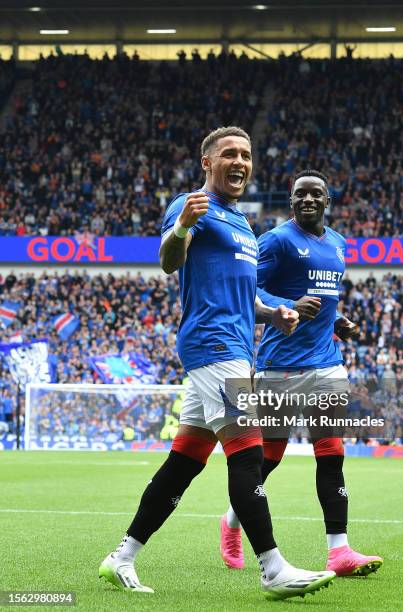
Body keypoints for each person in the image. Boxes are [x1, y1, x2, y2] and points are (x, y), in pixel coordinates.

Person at [99, 131, 336, 599]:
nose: (239, 161)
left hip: (233, 346)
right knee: (248, 453)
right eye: (229, 153)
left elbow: (246, 293)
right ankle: (273, 567)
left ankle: (121, 557)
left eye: (246, 155)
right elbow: (169, 261)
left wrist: (276, 312)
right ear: (207, 162)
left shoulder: (244, 225)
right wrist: (183, 226)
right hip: (213, 346)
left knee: (184, 461)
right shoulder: (194, 206)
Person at [220, 169, 383, 577]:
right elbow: (245, 287)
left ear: (328, 200)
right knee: (268, 458)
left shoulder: (339, 244)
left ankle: (339, 551)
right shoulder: (275, 240)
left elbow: (325, 298)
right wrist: (287, 303)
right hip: (281, 367)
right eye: (299, 195)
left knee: (331, 455)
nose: (307, 200)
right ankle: (231, 522)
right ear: (291, 202)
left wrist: (338, 320)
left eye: (316, 194)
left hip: (327, 365)